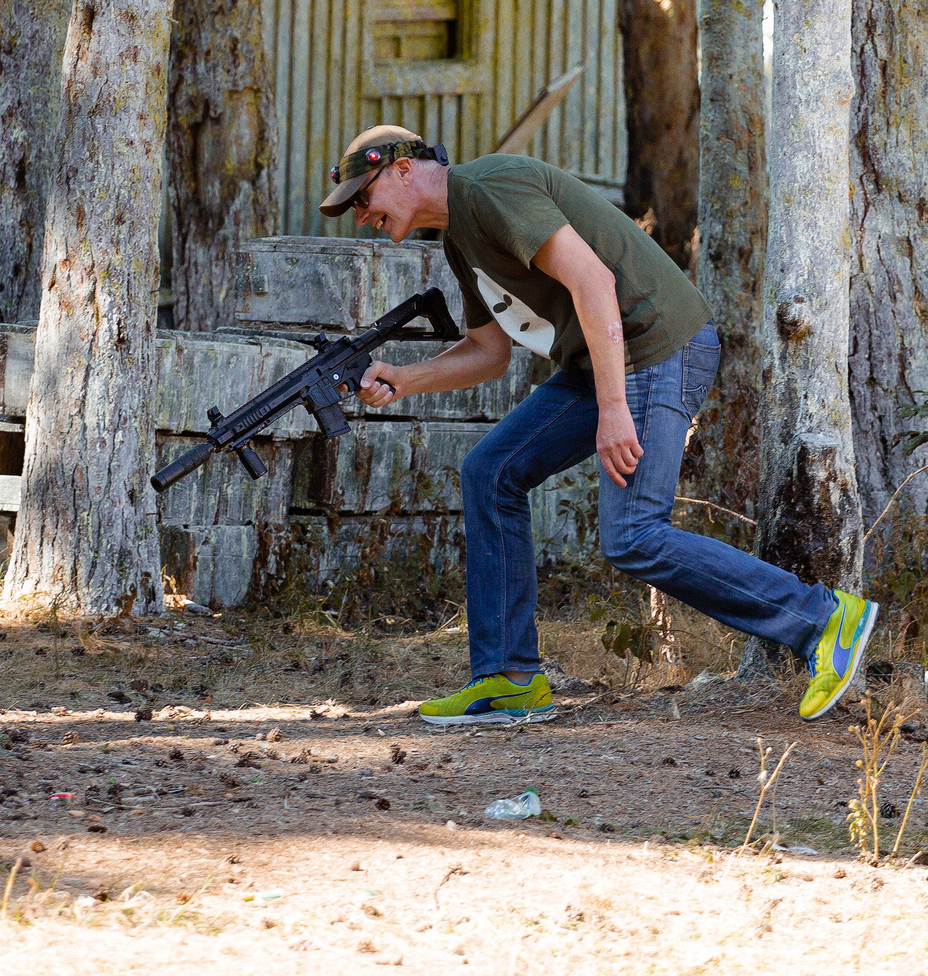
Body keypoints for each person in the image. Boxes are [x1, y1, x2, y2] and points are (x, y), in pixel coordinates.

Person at [319, 124, 879, 728]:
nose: (359, 214)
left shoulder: (489, 187)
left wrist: (613, 408)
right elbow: (489, 351)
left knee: (633, 533)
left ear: (403, 170)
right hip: (602, 362)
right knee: (490, 471)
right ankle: (508, 680)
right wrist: (405, 377)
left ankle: (825, 621)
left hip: (655, 348)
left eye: (362, 197)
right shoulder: (460, 236)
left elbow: (594, 281)